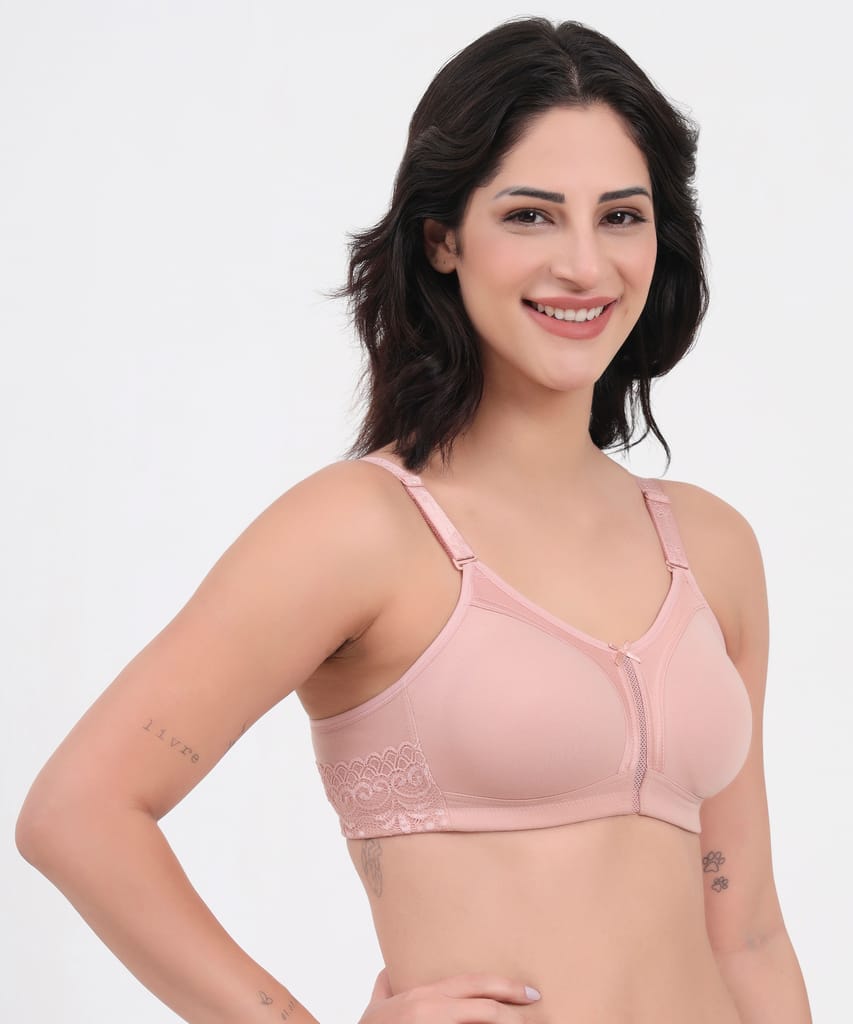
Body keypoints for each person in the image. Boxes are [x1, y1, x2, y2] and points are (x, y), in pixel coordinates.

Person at [16, 16, 812, 1024]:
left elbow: (747, 933)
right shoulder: (363, 531)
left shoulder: (710, 546)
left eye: (620, 215)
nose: (584, 264)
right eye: (530, 215)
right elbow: (78, 813)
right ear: (442, 238)